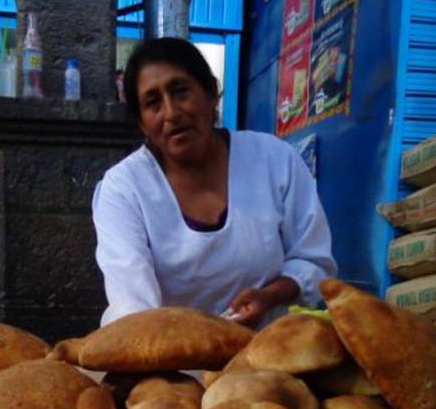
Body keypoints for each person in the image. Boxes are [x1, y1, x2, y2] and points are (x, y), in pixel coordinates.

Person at [92, 37, 337, 328]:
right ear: (142, 123)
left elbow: (313, 260)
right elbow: (133, 305)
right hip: (168, 352)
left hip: (265, 349)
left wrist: (270, 296)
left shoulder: (273, 159)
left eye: (180, 91)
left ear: (211, 93)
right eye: (153, 102)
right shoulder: (123, 189)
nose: (171, 113)